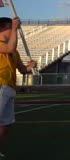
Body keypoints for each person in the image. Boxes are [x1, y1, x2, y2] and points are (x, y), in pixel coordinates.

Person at [0, 17, 37, 158]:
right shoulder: (6, 46)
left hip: (10, 88)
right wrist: (15, 28)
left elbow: (22, 70)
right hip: (0, 85)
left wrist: (30, 67)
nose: (15, 29)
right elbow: (9, 47)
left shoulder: (14, 52)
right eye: (11, 27)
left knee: (6, 124)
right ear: (3, 28)